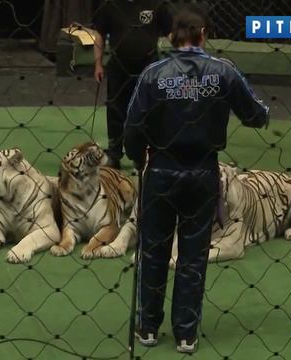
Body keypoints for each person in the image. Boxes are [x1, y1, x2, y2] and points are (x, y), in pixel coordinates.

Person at [124, 4, 269, 353]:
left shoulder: (153, 74)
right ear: (204, 34)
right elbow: (255, 114)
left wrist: (137, 155)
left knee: (155, 249)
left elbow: (132, 126)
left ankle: (147, 327)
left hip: (160, 171)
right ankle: (186, 333)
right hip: (203, 173)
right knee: (192, 255)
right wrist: (262, 114)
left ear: (172, 37)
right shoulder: (224, 70)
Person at [93, 0, 172, 169]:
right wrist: (98, 63)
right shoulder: (110, 5)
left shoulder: (156, 4)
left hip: (149, 66)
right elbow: (99, 34)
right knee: (115, 108)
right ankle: (114, 153)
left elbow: (170, 32)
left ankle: (143, 153)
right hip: (119, 66)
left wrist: (184, 59)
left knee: (148, 109)